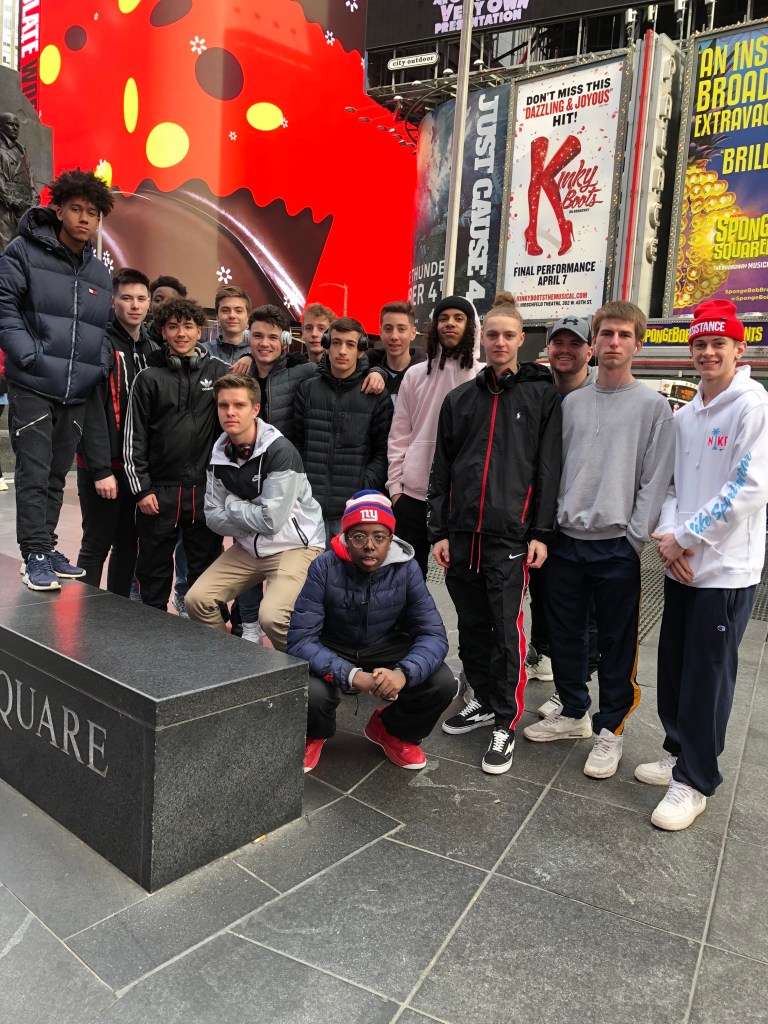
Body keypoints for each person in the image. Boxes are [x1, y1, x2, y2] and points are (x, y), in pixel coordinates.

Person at [523, 301, 675, 781]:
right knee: (565, 635)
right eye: (606, 333)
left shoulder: (653, 407)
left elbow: (655, 480)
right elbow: (553, 471)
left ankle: (611, 729)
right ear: (596, 342)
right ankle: (573, 711)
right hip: (566, 541)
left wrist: (633, 539)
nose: (614, 342)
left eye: (623, 335)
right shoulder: (571, 404)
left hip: (616, 545)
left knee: (616, 643)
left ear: (638, 344)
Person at [636, 299, 768, 830]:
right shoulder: (687, 414)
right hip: (682, 566)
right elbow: (672, 486)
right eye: (701, 344)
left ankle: (695, 779)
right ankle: (677, 752)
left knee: (709, 677)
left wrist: (685, 539)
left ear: (739, 348)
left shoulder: (752, 405)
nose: (709, 352)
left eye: (719, 343)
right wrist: (670, 536)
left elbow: (748, 489)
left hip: (725, 571)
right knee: (675, 665)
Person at [428, 293, 562, 774]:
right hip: (463, 533)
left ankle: (506, 719)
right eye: (492, 335)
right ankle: (482, 699)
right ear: (481, 339)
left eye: (508, 335)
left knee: (506, 629)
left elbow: (548, 470)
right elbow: (442, 467)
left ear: (521, 339)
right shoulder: (460, 399)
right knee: (470, 624)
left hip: (509, 536)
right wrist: (438, 530)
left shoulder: (542, 396)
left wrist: (540, 532)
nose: (500, 342)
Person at [0, 167, 114, 590]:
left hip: (76, 389)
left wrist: (98, 364)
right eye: (77, 209)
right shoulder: (23, 252)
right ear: (59, 210)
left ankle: (45, 547)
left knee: (55, 474)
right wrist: (27, 354)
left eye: (92, 213)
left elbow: (102, 329)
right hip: (33, 383)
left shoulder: (99, 272)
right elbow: (4, 304)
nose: (85, 218)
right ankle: (33, 555)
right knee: (33, 470)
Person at [288, 490, 456, 772]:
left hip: (386, 645)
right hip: (334, 645)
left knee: (442, 682)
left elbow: (433, 634)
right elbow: (300, 639)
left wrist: (403, 673)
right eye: (358, 536)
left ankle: (392, 730)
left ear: (391, 539)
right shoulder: (324, 567)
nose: (369, 546)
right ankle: (315, 733)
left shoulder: (407, 569)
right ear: (345, 537)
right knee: (308, 688)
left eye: (379, 537)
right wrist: (353, 676)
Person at [184, 373, 325, 651]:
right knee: (197, 600)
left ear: (255, 409)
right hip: (250, 546)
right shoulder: (219, 452)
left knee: (272, 618)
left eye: (239, 405)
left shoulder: (280, 450)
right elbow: (212, 516)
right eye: (223, 405)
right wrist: (252, 518)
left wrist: (232, 505)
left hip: (295, 546)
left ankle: (307, 669)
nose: (230, 412)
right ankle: (231, 665)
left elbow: (272, 521)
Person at [123, 298, 229, 610]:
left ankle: (204, 628)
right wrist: (142, 489)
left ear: (200, 330)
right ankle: (152, 625)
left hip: (204, 491)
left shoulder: (220, 372)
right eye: (173, 327)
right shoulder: (148, 377)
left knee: (205, 568)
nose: (181, 333)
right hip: (158, 492)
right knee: (153, 567)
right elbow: (134, 436)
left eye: (188, 326)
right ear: (163, 332)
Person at [528, 316, 599, 711]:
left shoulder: (599, 394)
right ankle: (544, 658)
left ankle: (575, 688)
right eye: (559, 342)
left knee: (583, 613)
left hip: (583, 523)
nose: (566, 350)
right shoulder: (539, 389)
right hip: (542, 517)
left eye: (576, 343)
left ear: (589, 350)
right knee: (544, 597)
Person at [388, 295, 484, 577]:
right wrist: (396, 490)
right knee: (406, 579)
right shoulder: (415, 375)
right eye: (443, 318)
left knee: (462, 581)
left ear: (471, 326)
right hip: (413, 495)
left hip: (462, 500)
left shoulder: (482, 376)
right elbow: (399, 435)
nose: (450, 324)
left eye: (458, 318)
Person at [76, 268, 157, 595]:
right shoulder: (99, 344)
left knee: (128, 545)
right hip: (104, 467)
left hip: (135, 468)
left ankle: (115, 616)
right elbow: (90, 408)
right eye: (126, 298)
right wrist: (99, 469)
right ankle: (84, 615)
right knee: (96, 544)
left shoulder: (152, 349)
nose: (134, 305)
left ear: (149, 302)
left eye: (141, 298)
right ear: (113, 301)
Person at [294, 316, 393, 542]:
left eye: (350, 344)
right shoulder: (307, 390)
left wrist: (364, 486)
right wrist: (300, 485)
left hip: (352, 508)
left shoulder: (376, 396)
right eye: (336, 342)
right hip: (308, 507)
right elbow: (296, 443)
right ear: (327, 345)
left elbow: (383, 451)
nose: (342, 351)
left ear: (360, 350)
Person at [366, 300, 423, 402]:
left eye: (401, 329)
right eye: (388, 329)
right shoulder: (365, 371)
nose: (394, 336)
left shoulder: (426, 375)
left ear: (413, 333)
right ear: (380, 333)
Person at [0, 112, 39, 253]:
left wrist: (34, 201)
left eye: (17, 125)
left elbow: (31, 180)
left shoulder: (21, 151)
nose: (15, 128)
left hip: (24, 209)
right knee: (5, 251)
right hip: (5, 210)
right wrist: (11, 200)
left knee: (23, 252)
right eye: (10, 124)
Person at [205, 285, 251, 365]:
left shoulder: (259, 353)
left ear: (248, 316)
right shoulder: (204, 352)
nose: (232, 315)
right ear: (217, 316)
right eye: (225, 311)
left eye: (238, 311)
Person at [146, 275, 187, 346]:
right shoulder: (138, 338)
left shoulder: (188, 340)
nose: (163, 305)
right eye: (158, 300)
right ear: (150, 304)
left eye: (170, 301)